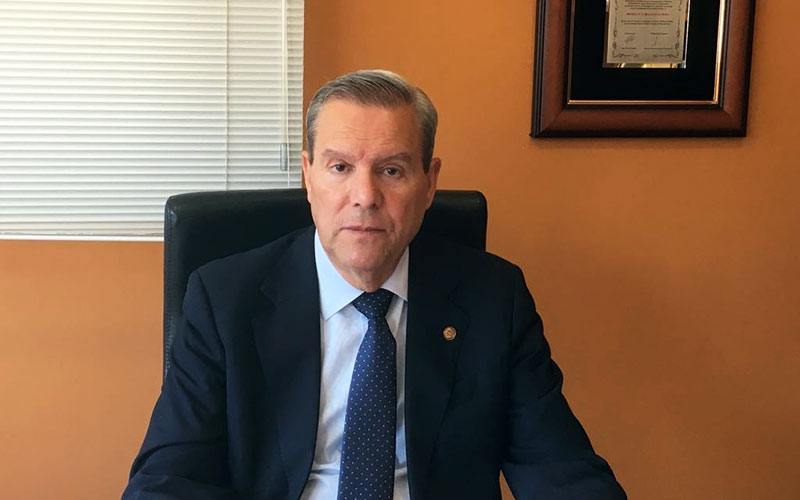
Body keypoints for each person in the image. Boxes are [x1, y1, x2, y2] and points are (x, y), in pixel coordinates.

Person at [123, 70, 626, 499]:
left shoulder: (493, 298)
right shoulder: (223, 297)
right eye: (340, 167)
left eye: (391, 170)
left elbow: (558, 466)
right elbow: (168, 478)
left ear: (429, 182)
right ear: (308, 175)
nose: (364, 196)